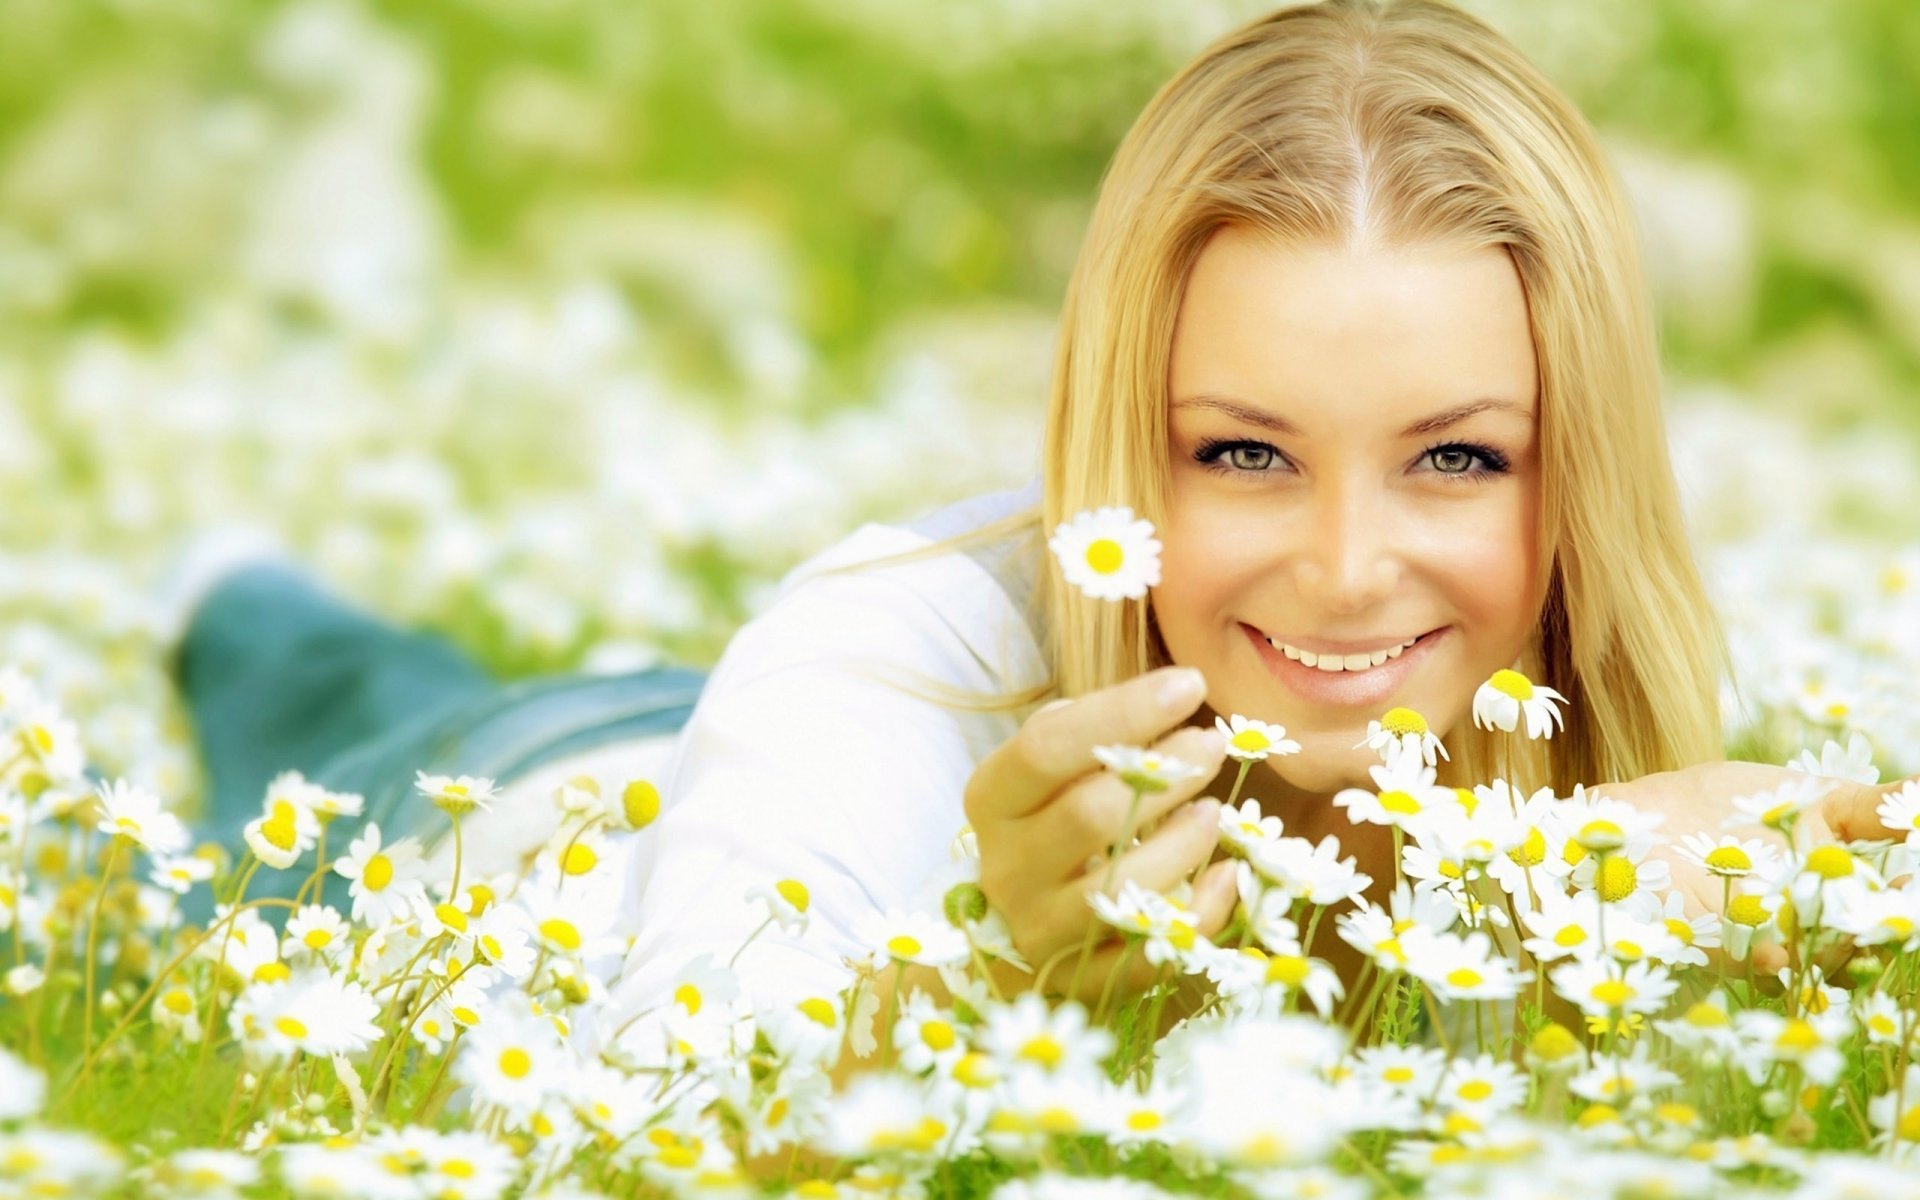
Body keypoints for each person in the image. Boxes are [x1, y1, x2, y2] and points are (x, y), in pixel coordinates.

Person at [171, 0, 1908, 1069]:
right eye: (1243, 452)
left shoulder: (1621, 730)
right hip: (505, 819)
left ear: (1576, 469)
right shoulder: (880, 649)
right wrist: (998, 980)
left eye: (1454, 459)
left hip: (731, 752)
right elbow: (665, 1102)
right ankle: (227, 591)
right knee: (308, 695)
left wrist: (1794, 900)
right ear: (1123, 451)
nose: (1344, 567)